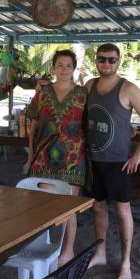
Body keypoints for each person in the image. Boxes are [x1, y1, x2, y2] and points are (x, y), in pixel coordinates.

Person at [85, 43, 140, 279]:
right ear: (96, 61)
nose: (106, 64)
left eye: (111, 60)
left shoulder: (128, 88)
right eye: (102, 59)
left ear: (119, 61)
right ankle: (101, 253)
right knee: (98, 208)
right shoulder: (89, 86)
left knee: (123, 211)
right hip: (93, 160)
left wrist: (138, 155)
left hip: (119, 162)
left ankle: (126, 261)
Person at [24, 49, 88, 266]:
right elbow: (32, 125)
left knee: (69, 207)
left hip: (73, 158)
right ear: (53, 67)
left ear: (74, 68)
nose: (64, 69)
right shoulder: (42, 92)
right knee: (41, 206)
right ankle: (44, 247)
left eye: (68, 65)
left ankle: (67, 252)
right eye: (60, 65)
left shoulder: (83, 94)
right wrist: (30, 155)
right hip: (43, 158)